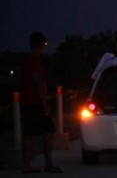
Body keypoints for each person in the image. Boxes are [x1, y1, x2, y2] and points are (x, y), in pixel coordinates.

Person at [19, 32, 62, 174]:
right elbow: (38, 82)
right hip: (34, 103)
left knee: (31, 133)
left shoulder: (29, 59)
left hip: (28, 102)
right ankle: (46, 164)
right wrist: (44, 103)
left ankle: (28, 164)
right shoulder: (34, 60)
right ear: (40, 44)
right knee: (47, 130)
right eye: (44, 43)